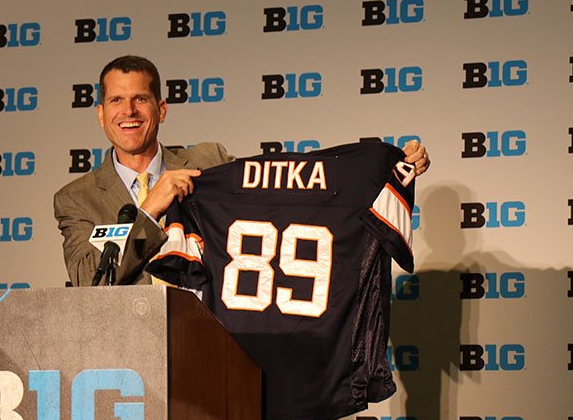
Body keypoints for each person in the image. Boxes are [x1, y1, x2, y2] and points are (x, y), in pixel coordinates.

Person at [54, 55, 431, 287]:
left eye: (140, 99)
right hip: (127, 361)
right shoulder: (77, 198)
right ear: (101, 114)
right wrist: (150, 209)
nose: (129, 111)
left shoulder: (207, 161)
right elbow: (90, 280)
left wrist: (385, 172)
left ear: (161, 108)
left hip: (211, 346)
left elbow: (286, 190)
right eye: (116, 100)